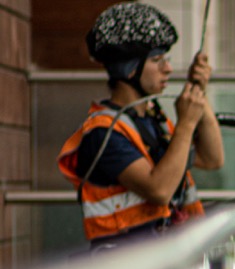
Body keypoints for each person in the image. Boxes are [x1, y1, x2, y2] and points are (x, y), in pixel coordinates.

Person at [58, 2, 224, 247]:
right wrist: (186, 124)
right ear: (128, 69)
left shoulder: (152, 119)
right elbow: (159, 190)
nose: (167, 68)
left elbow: (212, 159)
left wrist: (199, 94)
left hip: (159, 260)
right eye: (157, 60)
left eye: (166, 59)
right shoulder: (104, 132)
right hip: (123, 267)